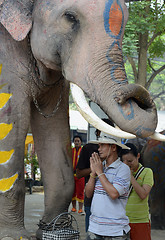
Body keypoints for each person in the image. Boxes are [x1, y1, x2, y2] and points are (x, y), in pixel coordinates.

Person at [85, 132, 131, 240]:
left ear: (113, 147)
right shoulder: (100, 167)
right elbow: (88, 194)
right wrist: (93, 173)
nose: (99, 149)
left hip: (115, 231)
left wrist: (100, 172)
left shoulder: (123, 169)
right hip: (95, 228)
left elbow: (114, 194)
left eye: (102, 145)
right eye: (99, 145)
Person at [76, 119, 114, 232]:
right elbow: (79, 174)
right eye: (100, 130)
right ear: (97, 132)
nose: (100, 149)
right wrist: (95, 168)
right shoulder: (88, 148)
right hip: (92, 199)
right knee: (92, 232)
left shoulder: (118, 150)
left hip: (112, 202)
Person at [120, 143, 154, 240]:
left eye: (130, 161)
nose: (126, 164)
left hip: (140, 221)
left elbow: (143, 194)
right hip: (123, 221)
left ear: (138, 156)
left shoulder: (147, 172)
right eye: (124, 161)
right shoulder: (120, 173)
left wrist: (130, 177)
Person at [71, 135, 85, 214]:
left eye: (78, 141)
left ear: (81, 142)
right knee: (72, 192)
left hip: (80, 174)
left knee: (80, 192)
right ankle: (73, 208)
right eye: (75, 141)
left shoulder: (83, 151)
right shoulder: (71, 151)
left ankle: (80, 209)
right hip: (72, 175)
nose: (76, 142)